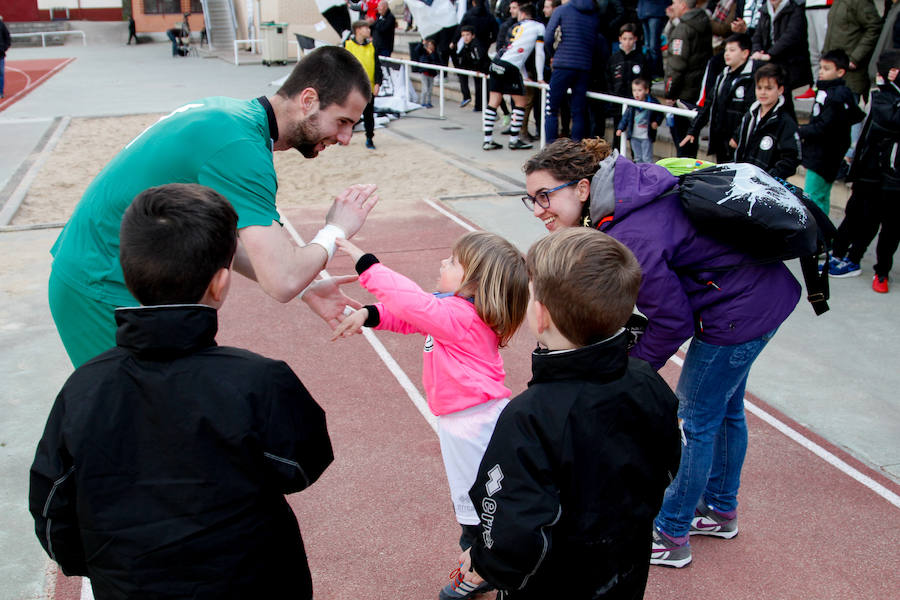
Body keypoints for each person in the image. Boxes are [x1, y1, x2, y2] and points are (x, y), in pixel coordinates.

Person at [29, 184, 334, 600]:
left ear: (128, 270)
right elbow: (302, 467)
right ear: (220, 283)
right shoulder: (260, 380)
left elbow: (50, 502)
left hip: (129, 584)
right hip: (253, 579)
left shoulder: (84, 386)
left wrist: (99, 564)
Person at [519, 137, 801, 568]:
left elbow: (672, 322)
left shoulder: (630, 228)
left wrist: (624, 369)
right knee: (725, 411)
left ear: (581, 188)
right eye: (531, 199)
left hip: (737, 313)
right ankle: (721, 509)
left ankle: (671, 533)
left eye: (545, 196)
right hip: (758, 297)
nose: (539, 210)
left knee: (694, 421)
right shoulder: (628, 191)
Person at [48, 46, 379, 368]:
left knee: (167, 408)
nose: (347, 137)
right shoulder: (241, 146)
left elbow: (227, 243)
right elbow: (281, 280)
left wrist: (305, 287)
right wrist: (337, 228)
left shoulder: (231, 118)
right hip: (99, 286)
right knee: (144, 416)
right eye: (342, 121)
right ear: (308, 101)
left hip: (101, 275)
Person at [455, 228, 682, 599]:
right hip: (623, 565)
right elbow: (669, 458)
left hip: (553, 583)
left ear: (540, 316)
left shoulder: (529, 416)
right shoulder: (647, 380)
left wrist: (486, 560)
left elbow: (512, 518)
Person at [330, 232, 528, 600]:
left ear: (475, 283)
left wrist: (367, 265)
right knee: (479, 499)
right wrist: (369, 313)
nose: (443, 263)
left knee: (479, 505)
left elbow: (415, 306)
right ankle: (487, 562)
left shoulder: (460, 317)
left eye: (453, 262)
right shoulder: (455, 310)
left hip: (473, 426)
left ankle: (481, 568)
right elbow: (411, 317)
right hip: (466, 422)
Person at [828, 50, 900, 293]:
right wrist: (853, 159)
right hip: (871, 172)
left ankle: (882, 272)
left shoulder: (889, 98)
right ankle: (845, 256)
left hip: (894, 178)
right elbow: (872, 125)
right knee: (860, 215)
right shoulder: (880, 96)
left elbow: (892, 119)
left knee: (890, 228)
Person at [799, 49, 866, 214]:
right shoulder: (831, 92)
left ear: (840, 72)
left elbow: (825, 126)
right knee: (821, 195)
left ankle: (817, 233)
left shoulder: (836, 96)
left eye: (827, 68)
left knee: (812, 196)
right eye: (821, 67)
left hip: (823, 155)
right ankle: (824, 233)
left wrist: (801, 130)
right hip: (825, 154)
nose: (821, 72)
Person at [821, 0, 883, 174]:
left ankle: (849, 159)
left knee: (849, 118)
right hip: (834, 71)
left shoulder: (859, 2)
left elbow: (874, 26)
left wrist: (855, 58)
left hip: (851, 74)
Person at [682, 33, 756, 162]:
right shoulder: (723, 76)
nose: (727, 54)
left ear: (745, 53)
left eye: (732, 50)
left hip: (741, 144)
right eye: (726, 50)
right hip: (721, 141)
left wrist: (738, 136)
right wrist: (693, 130)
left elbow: (751, 111)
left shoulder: (753, 78)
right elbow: (709, 104)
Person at [482, 2, 545, 151]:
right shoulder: (539, 27)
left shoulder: (515, 26)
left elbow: (516, 52)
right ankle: (514, 139)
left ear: (522, 14)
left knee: (493, 102)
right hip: (511, 67)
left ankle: (487, 140)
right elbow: (539, 54)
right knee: (520, 103)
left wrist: (523, 75)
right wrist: (540, 76)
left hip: (497, 61)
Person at [733, 62, 802, 179]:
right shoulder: (750, 115)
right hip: (744, 178)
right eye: (759, 87)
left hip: (767, 185)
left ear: (780, 90)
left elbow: (791, 160)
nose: (763, 92)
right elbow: (737, 142)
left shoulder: (785, 122)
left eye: (769, 88)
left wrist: (768, 177)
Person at [663, 0, 713, 158]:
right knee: (691, 140)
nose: (672, 6)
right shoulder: (703, 22)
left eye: (675, 3)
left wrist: (670, 93)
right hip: (697, 90)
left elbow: (677, 65)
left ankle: (683, 179)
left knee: (682, 141)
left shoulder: (683, 29)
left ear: (683, 5)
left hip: (683, 94)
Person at [542, 0, 598, 142]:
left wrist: (552, 55)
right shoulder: (593, 14)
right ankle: (576, 151)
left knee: (551, 109)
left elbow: (548, 37)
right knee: (578, 112)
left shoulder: (562, 10)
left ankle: (551, 149)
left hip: (562, 64)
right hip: (584, 66)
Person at [750, 0, 811, 110]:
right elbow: (757, 35)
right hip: (770, 61)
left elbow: (791, 37)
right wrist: (757, 51)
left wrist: (770, 54)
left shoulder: (795, 9)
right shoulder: (765, 9)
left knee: (787, 101)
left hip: (791, 62)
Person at [343, 20, 383, 149]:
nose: (369, 30)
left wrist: (378, 83)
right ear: (358, 30)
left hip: (368, 88)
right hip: (353, 88)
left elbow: (377, 67)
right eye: (366, 28)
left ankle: (369, 138)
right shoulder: (348, 45)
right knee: (348, 114)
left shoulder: (372, 47)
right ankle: (344, 136)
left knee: (368, 115)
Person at [616, 78, 664, 162]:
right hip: (634, 135)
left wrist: (656, 122)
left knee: (647, 158)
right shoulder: (631, 104)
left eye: (639, 90)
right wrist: (620, 128)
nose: (636, 93)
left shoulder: (652, 103)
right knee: (637, 157)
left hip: (646, 135)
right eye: (634, 90)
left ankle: (647, 174)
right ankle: (639, 173)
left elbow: (660, 114)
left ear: (646, 90)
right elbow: (625, 117)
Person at [456, 26, 491, 112]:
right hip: (476, 69)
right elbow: (462, 56)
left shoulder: (476, 45)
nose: (465, 37)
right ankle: (472, 101)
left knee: (486, 89)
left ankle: (503, 112)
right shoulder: (466, 45)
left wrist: (475, 68)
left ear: (473, 35)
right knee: (463, 75)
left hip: (485, 69)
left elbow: (480, 58)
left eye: (467, 35)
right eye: (463, 35)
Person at [638, 0, 670, 77]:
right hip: (643, 11)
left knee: (654, 46)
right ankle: (650, 73)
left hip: (656, 11)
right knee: (647, 47)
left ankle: (656, 73)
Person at [416, 38, 441, 108]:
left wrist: (431, 53)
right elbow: (417, 50)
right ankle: (423, 102)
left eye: (431, 45)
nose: (430, 46)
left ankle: (429, 102)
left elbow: (436, 61)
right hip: (424, 72)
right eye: (429, 45)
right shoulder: (423, 52)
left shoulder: (435, 53)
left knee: (430, 89)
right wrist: (421, 43)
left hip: (432, 74)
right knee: (425, 88)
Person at [0, 15, 10, 99]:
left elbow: (7, 36)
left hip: (0, 53)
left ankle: (0, 92)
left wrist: (4, 48)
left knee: (1, 73)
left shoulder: (1, 25)